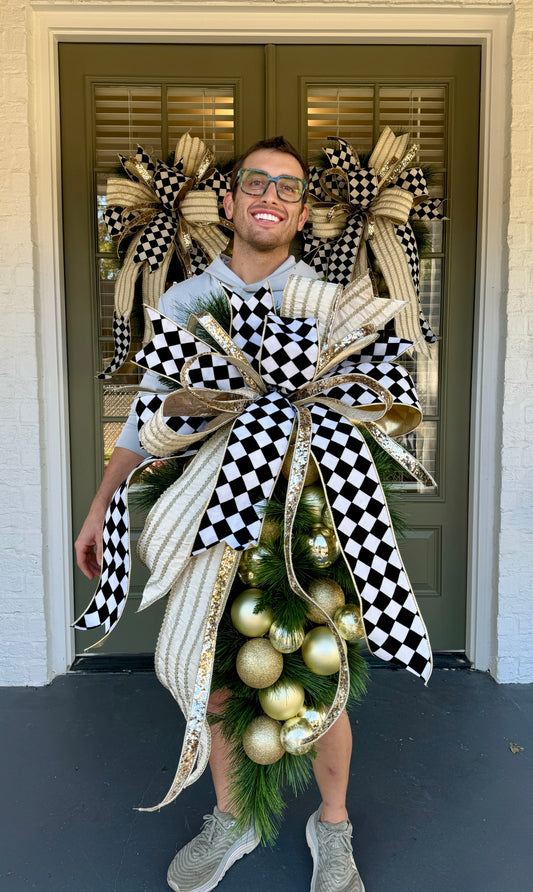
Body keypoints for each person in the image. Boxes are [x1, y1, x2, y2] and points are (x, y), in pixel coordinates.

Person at [75, 136, 365, 892]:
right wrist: (101, 502)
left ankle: (332, 825)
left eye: (288, 187)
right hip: (209, 518)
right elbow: (148, 419)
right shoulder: (182, 303)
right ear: (230, 204)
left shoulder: (328, 303)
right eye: (255, 182)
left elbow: (362, 411)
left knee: (325, 678)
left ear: (302, 215)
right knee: (217, 680)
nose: (270, 194)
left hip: (308, 520)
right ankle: (231, 818)